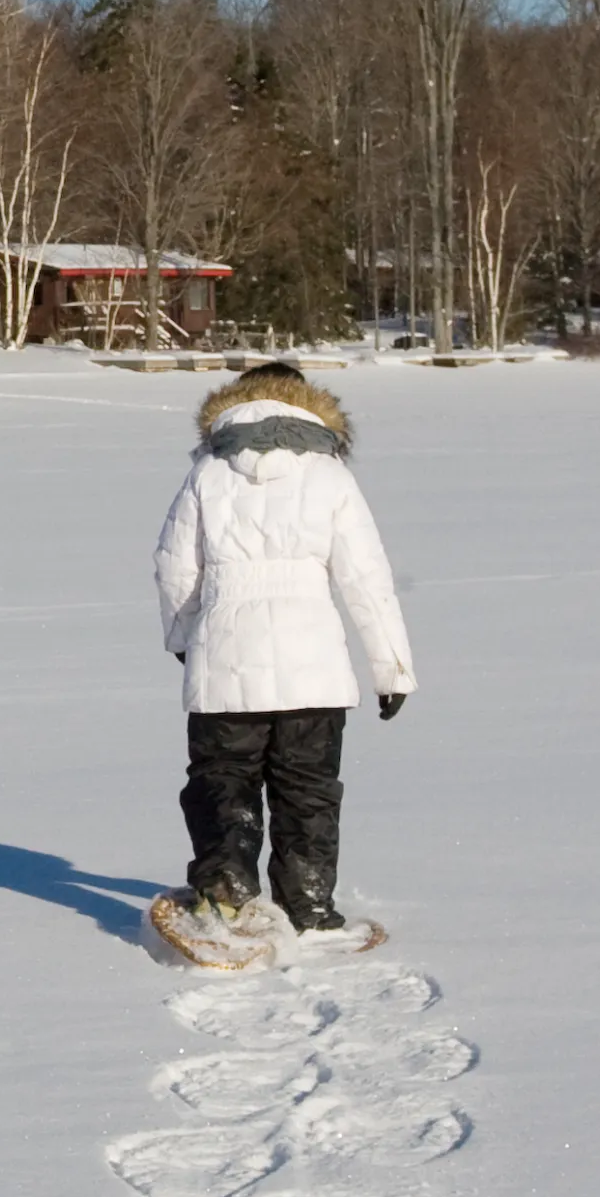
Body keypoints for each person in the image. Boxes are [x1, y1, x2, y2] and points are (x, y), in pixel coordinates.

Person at [150, 361, 414, 951]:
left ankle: (226, 889)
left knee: (224, 779)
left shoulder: (209, 474)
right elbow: (367, 579)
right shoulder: (330, 477)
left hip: (224, 656)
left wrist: (183, 636)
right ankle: (310, 903)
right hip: (313, 665)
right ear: (311, 406)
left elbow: (174, 568)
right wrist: (391, 668)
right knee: (308, 787)